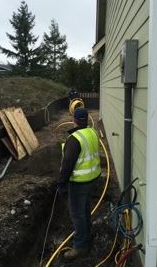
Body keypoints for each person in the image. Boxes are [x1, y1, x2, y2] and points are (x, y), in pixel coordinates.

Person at [58, 108, 101, 260]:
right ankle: (87, 235)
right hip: (93, 178)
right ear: (87, 119)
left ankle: (80, 246)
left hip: (79, 183)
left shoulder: (74, 139)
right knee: (85, 209)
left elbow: (68, 163)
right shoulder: (92, 132)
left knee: (77, 215)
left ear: (74, 119)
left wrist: (61, 184)